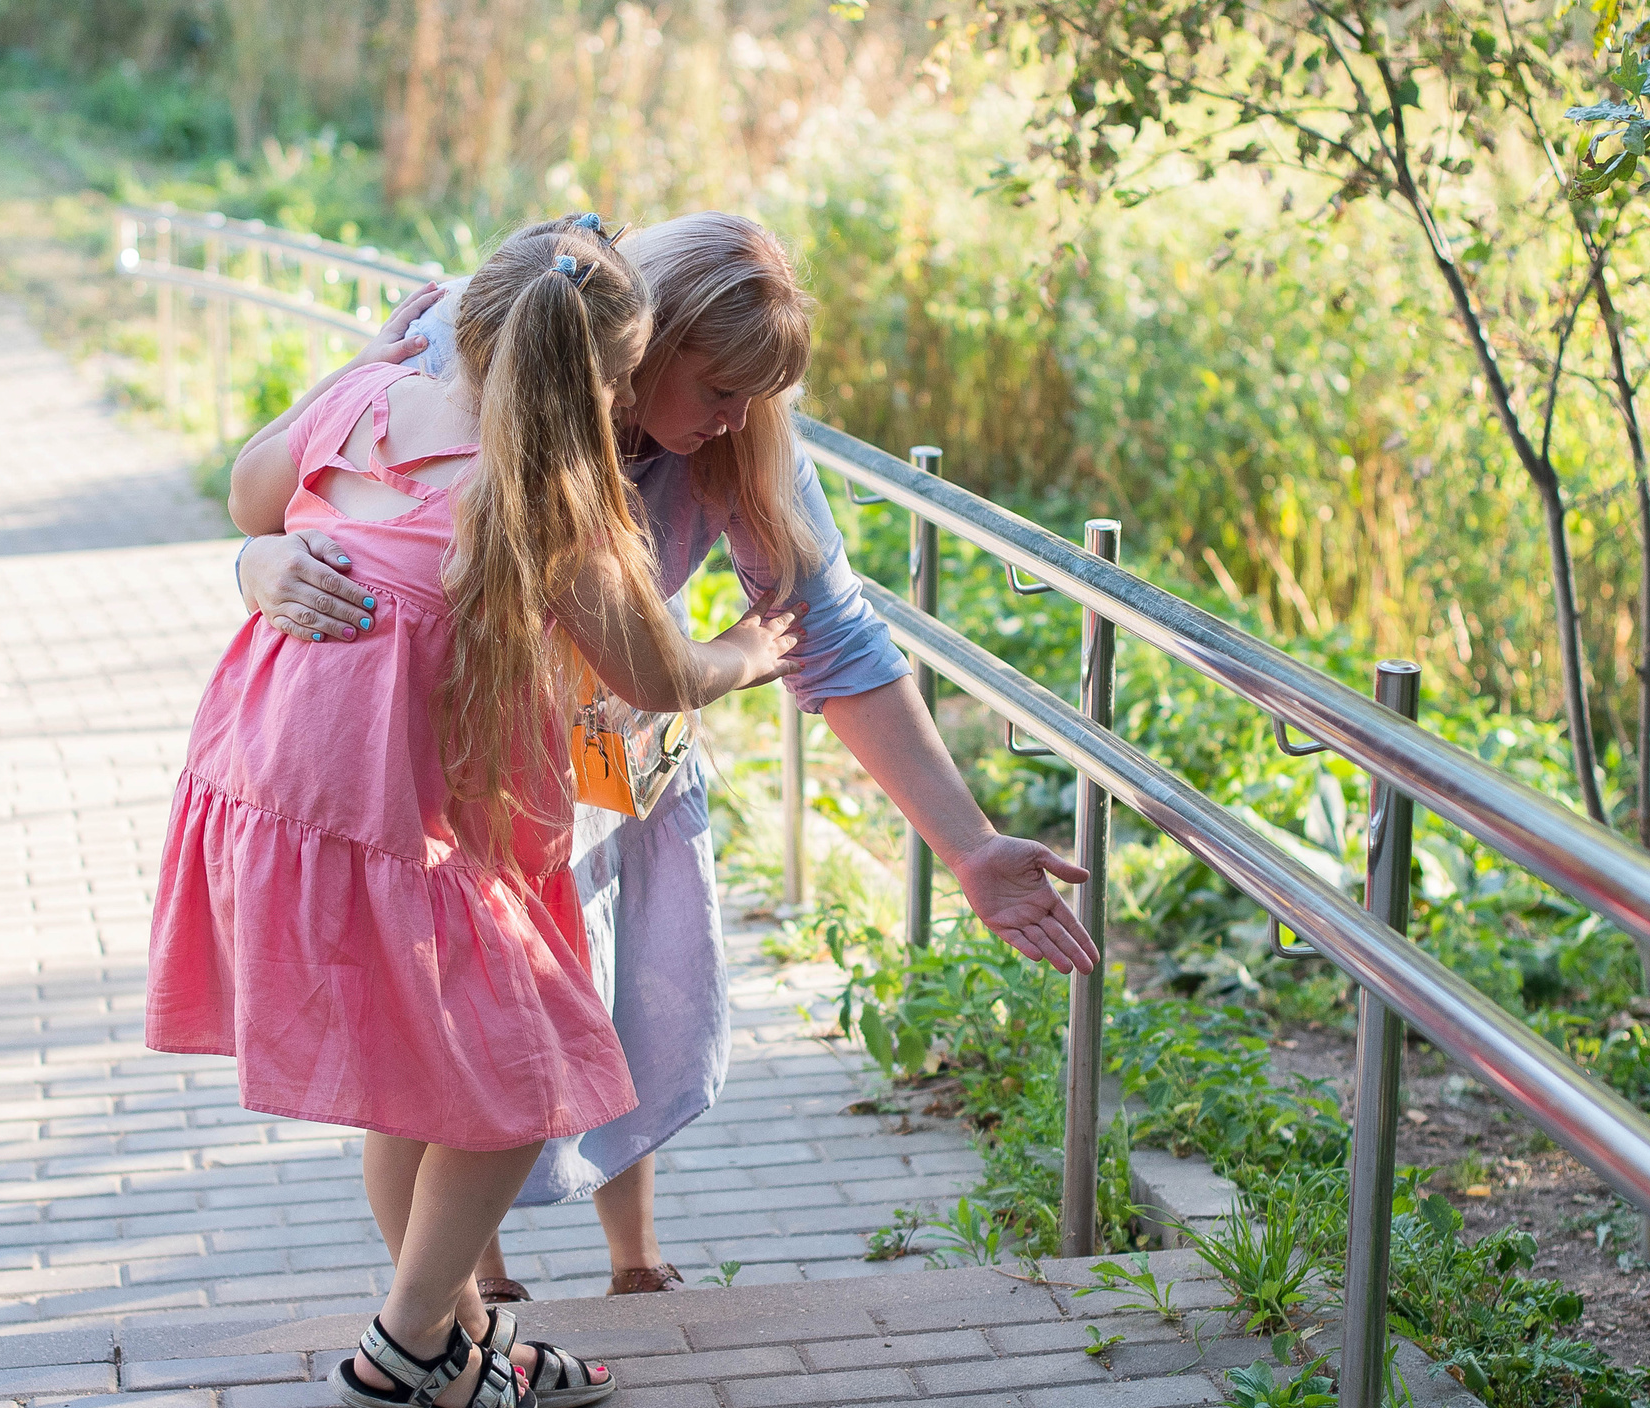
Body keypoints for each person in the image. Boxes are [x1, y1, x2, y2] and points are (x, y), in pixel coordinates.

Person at [233, 212, 1097, 1299]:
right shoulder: (507, 331)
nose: (741, 417)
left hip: (604, 761)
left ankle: (605, 1267)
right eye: (720, 388)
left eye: (759, 396)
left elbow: (829, 630)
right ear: (639, 355)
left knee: (613, 990)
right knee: (458, 1026)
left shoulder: (738, 434)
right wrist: (261, 560)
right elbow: (310, 490)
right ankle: (462, 1300)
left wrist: (966, 844)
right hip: (457, 769)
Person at [154, 217, 804, 1408]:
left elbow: (252, 496)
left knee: (415, 1090)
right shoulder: (549, 498)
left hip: (277, 781)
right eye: (621, 381)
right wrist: (745, 651)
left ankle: (456, 1339)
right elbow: (654, 674)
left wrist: (362, 363)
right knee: (529, 1067)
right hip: (399, 810)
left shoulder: (365, 400)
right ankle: (407, 1345)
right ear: (595, 379)